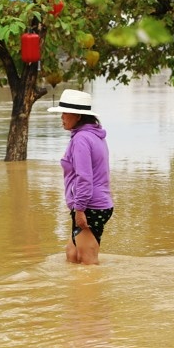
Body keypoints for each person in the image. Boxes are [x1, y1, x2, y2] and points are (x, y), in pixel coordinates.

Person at [48, 89, 114, 265]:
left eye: (65, 113)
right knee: (72, 253)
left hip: (90, 206)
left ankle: (92, 291)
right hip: (96, 203)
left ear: (78, 116)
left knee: (87, 260)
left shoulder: (81, 139)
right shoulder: (93, 135)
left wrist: (79, 209)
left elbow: (84, 178)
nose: (61, 117)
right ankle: (77, 291)